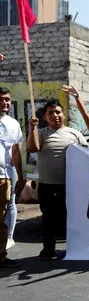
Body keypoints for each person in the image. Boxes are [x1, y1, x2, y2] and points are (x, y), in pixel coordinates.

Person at [26, 99, 88, 259]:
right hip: (47, 185)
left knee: (72, 218)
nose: (55, 116)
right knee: (48, 219)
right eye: (50, 113)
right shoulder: (40, 133)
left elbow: (88, 156)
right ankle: (48, 249)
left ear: (64, 114)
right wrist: (32, 128)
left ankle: (76, 248)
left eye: (58, 112)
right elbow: (32, 148)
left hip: (70, 186)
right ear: (45, 117)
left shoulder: (75, 134)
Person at [0, 88, 24, 267]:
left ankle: (1, 255)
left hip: (5, 177)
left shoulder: (13, 124)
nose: (5, 103)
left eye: (7, 99)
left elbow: (16, 152)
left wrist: (20, 176)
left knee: (2, 217)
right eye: (1, 99)